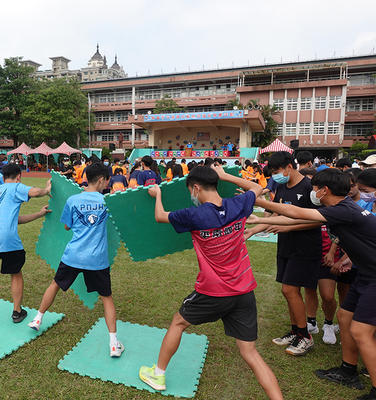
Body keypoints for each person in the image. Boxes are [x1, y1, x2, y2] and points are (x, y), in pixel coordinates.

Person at [138, 165, 283, 399]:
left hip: (213, 292)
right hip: (244, 290)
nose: (191, 196)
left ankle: (157, 374)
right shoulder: (238, 204)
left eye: (190, 191)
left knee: (177, 323)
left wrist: (158, 195)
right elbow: (258, 187)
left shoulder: (193, 215)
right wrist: (225, 175)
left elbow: (159, 216)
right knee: (250, 352)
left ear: (196, 188)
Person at [250, 168, 376, 399]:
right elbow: (295, 216)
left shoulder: (342, 211)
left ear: (324, 190)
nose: (313, 191)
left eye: (315, 188)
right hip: (367, 275)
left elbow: (294, 211)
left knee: (360, 331)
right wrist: (260, 217)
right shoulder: (341, 209)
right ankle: (348, 372)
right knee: (345, 317)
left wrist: (254, 200)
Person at [27, 163, 124, 357]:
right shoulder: (107, 202)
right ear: (102, 180)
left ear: (86, 178)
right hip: (97, 259)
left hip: (73, 255)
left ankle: (37, 319)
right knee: (106, 298)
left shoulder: (73, 200)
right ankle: (114, 344)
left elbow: (66, 227)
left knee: (55, 284)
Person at [245, 151, 322, 356]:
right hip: (286, 248)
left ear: (290, 166)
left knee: (289, 291)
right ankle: (296, 332)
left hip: (304, 249)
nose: (276, 176)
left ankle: (305, 337)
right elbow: (276, 215)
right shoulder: (280, 186)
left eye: (277, 171)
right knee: (289, 292)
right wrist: (253, 230)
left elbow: (319, 220)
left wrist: (290, 228)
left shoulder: (308, 188)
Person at [0, 164, 51, 324]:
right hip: (7, 239)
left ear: (2, 178)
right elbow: (35, 192)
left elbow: (12, 219)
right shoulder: (15, 186)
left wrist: (38, 214)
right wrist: (47, 190)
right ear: (19, 177)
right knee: (16, 273)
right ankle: (17, 311)